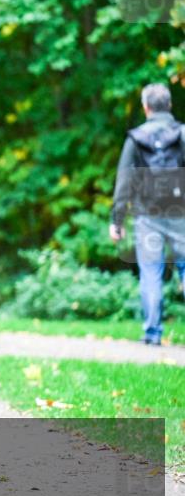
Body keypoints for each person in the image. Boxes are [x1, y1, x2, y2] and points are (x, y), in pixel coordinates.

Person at [109, 82, 185, 345]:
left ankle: (152, 333)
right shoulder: (183, 134)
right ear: (170, 106)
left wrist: (117, 220)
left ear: (146, 107)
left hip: (147, 216)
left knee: (151, 272)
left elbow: (124, 182)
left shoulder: (135, 138)